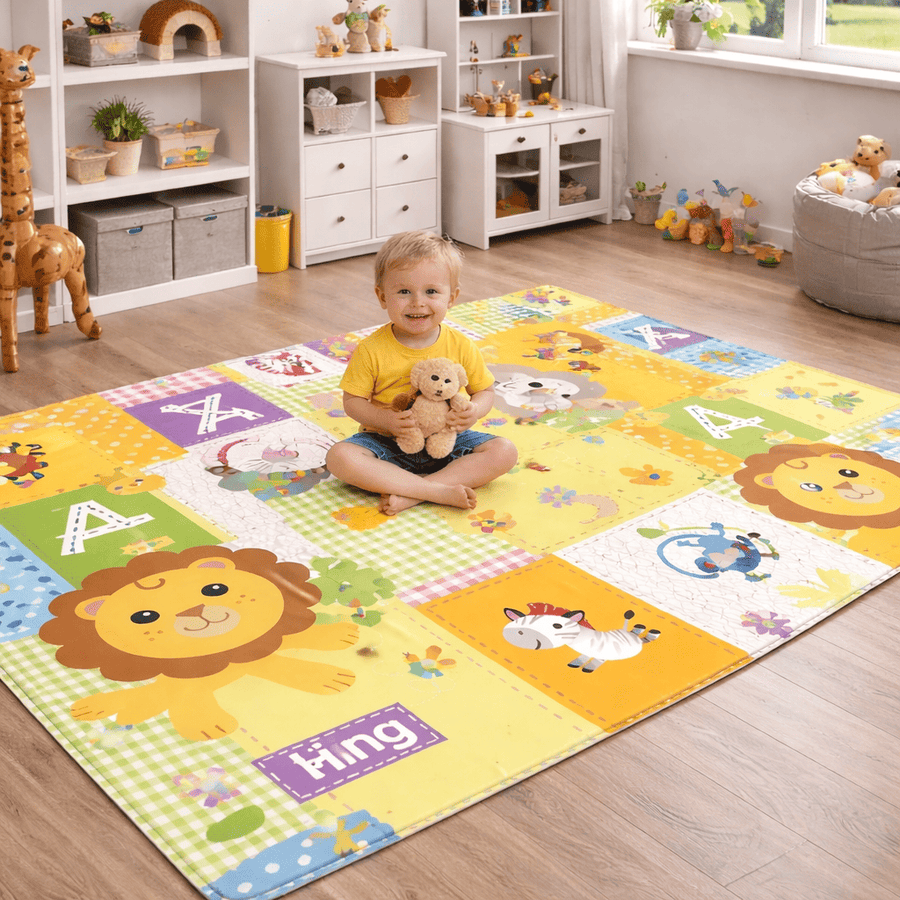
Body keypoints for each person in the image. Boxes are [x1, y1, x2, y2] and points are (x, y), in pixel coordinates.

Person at [325, 231, 518, 515]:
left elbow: (484, 391)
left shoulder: (461, 345)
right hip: (387, 443)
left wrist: (473, 411)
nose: (417, 302)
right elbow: (352, 402)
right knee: (339, 457)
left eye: (431, 292)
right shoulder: (370, 349)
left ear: (452, 298)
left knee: (505, 451)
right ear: (382, 296)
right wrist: (386, 420)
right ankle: (435, 490)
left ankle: (412, 492)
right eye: (404, 292)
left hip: (447, 441)